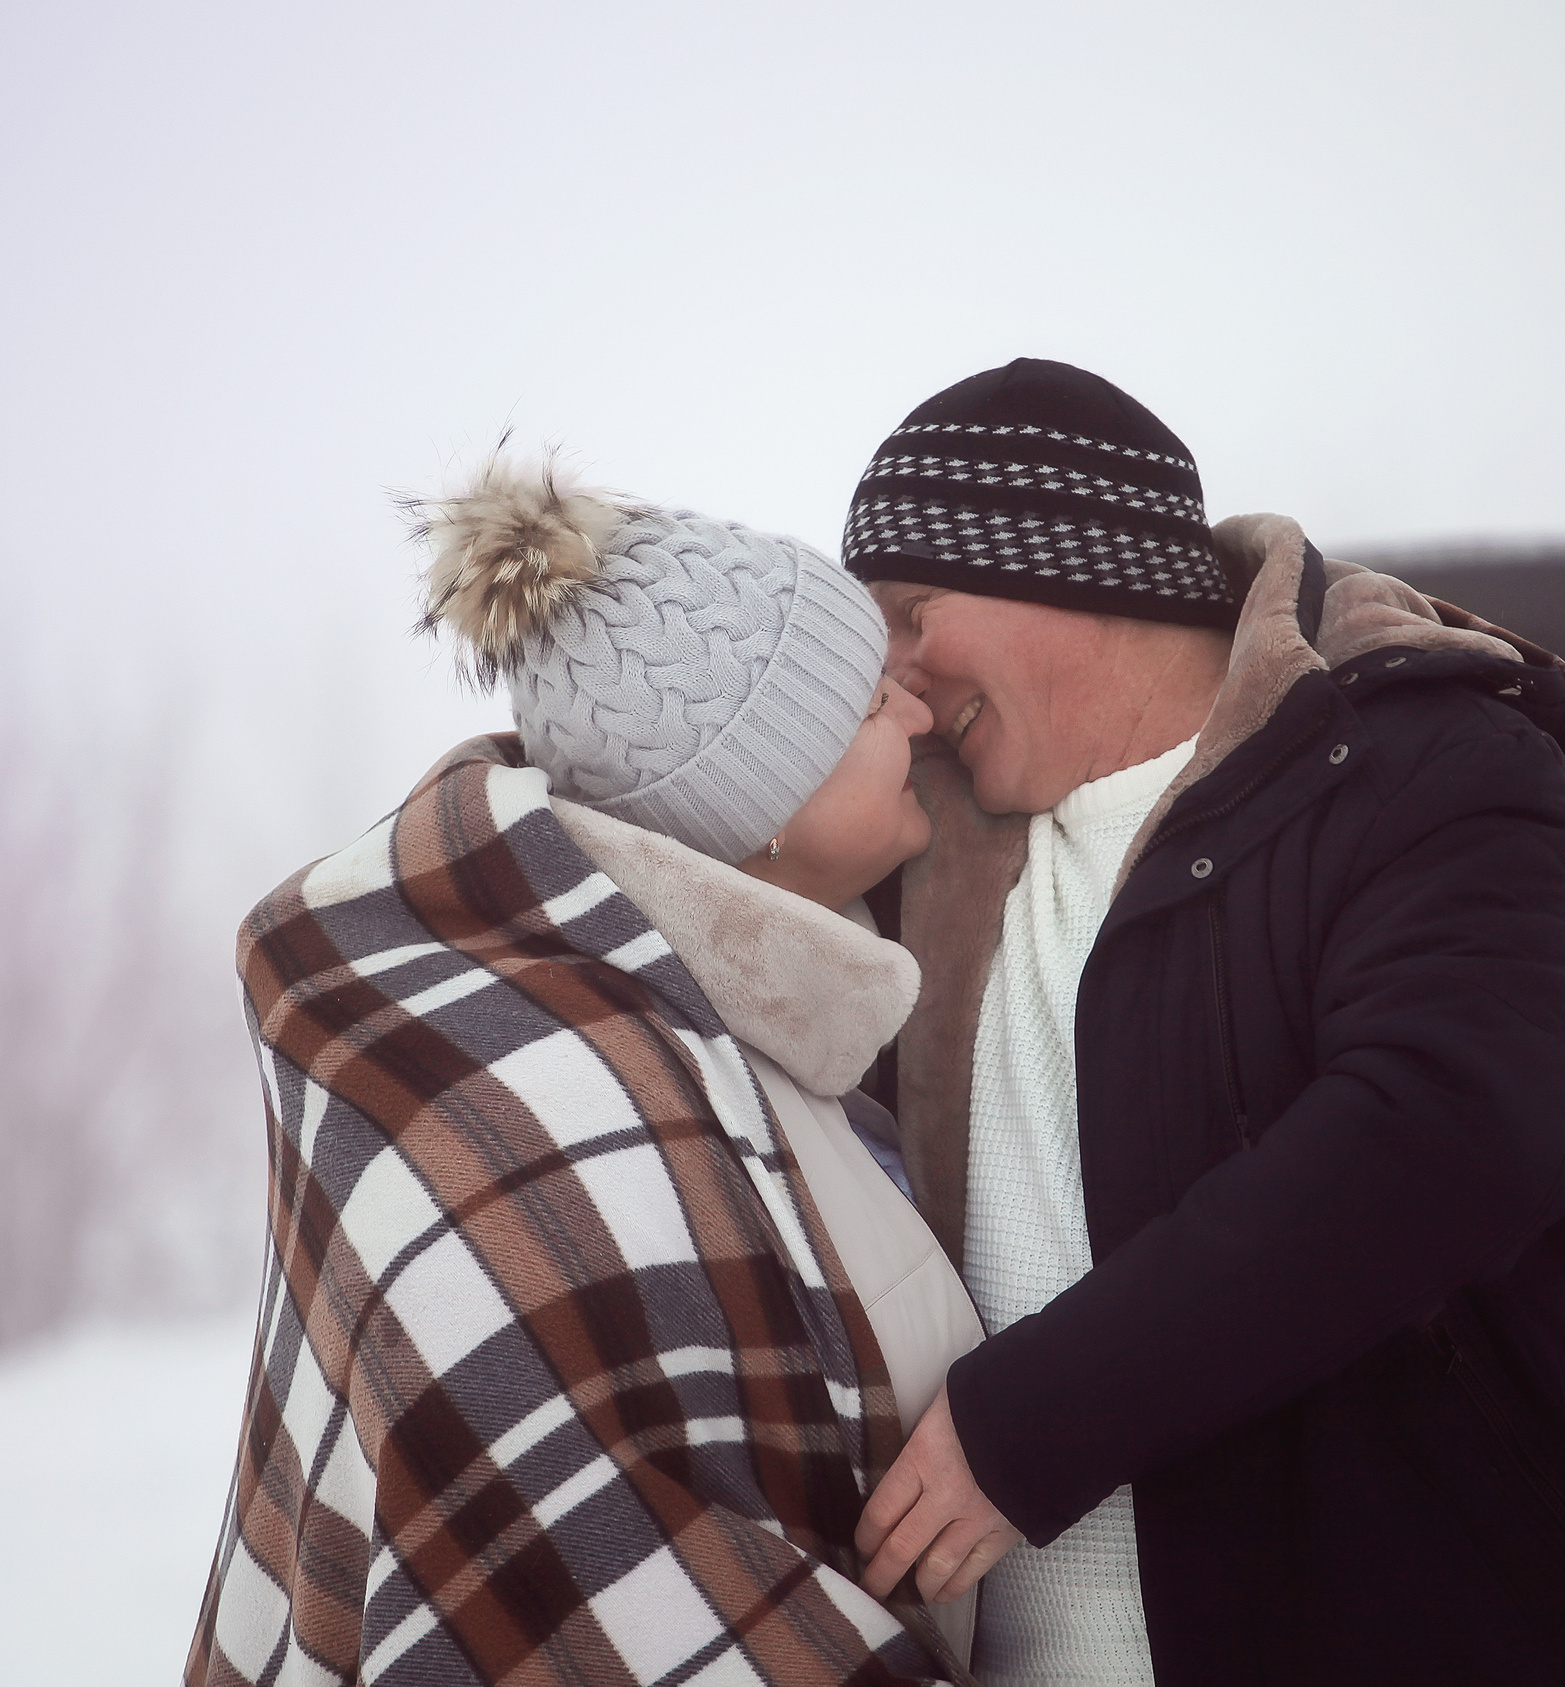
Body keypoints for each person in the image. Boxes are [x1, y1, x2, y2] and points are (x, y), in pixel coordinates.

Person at [839, 360, 1565, 1687]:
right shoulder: (913, 848)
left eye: (917, 613)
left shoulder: (1425, 762)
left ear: (1074, 566)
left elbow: (1445, 1132)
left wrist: (1028, 1425)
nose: (903, 686)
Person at [186, 454, 984, 1686]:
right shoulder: (557, 1102)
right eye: (875, 704)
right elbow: (589, 1567)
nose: (921, 718)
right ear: (761, 796)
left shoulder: (759, 1044)